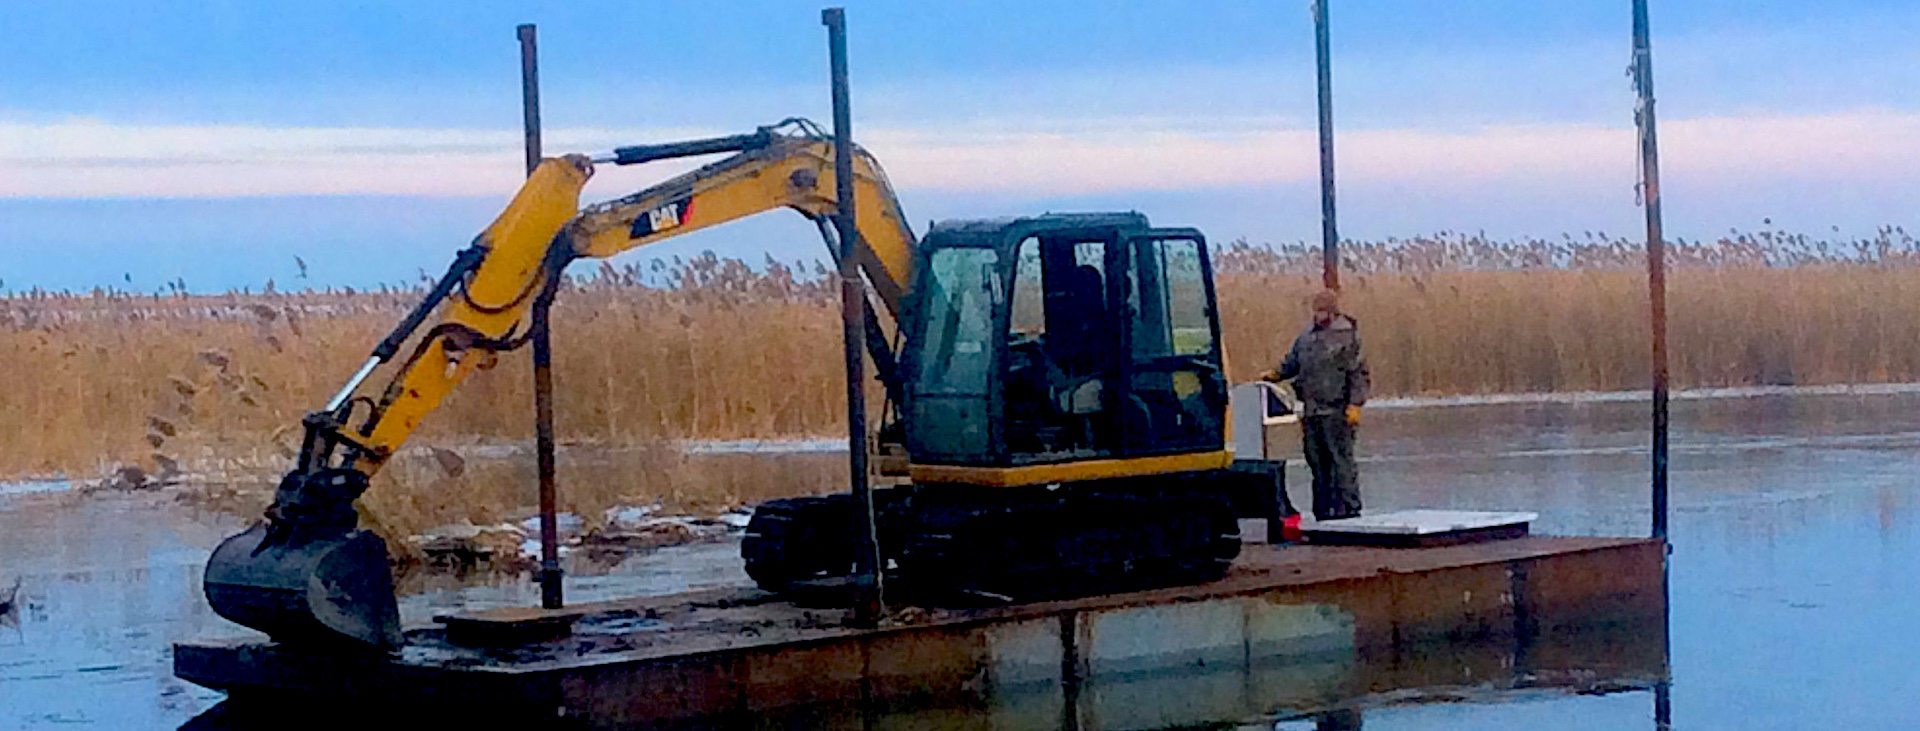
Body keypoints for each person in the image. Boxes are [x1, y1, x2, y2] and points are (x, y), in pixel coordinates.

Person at [1262, 288, 1369, 521]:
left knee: (1341, 462)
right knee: (1316, 462)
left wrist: (1355, 404)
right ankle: (1322, 511)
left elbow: (1358, 374)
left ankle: (1350, 509)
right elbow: (1293, 362)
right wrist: (1276, 374)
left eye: (1322, 310)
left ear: (1332, 311)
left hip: (1338, 410)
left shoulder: (1347, 336)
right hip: (1311, 410)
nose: (1318, 314)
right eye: (1316, 310)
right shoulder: (1306, 336)